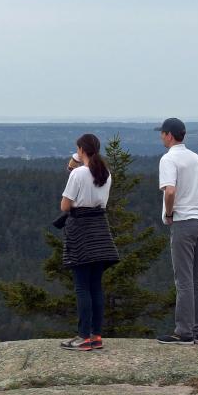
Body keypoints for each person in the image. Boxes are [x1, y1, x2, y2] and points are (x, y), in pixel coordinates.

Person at [155, 117, 198, 346]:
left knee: (183, 280)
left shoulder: (168, 159)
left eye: (162, 133)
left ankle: (183, 332)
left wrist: (170, 214)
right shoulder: (195, 157)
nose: (161, 136)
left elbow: (169, 191)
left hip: (184, 222)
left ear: (169, 135)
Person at [59, 134, 120, 351]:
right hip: (100, 230)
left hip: (81, 231)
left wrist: (74, 162)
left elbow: (65, 206)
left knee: (81, 287)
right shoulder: (105, 173)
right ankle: (95, 335)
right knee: (95, 287)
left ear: (81, 150)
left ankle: (83, 336)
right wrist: (77, 159)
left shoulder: (78, 174)